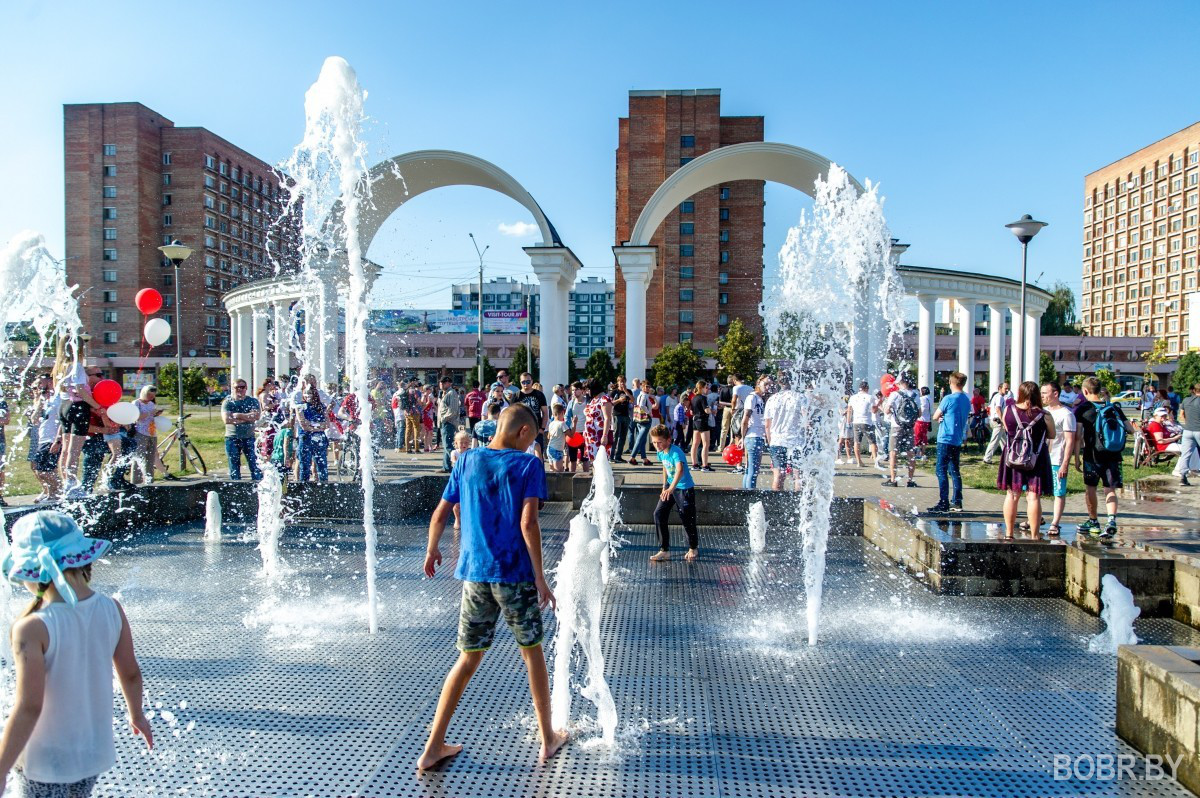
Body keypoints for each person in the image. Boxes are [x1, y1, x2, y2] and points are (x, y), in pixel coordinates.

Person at [418, 404, 567, 770]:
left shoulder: (466, 460)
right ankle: (548, 738)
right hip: (513, 574)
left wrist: (432, 548)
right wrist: (540, 577)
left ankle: (433, 746)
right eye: (535, 436)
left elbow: (440, 513)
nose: (535, 443)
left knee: (467, 658)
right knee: (532, 653)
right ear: (524, 432)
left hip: (475, 575)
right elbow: (528, 523)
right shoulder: (528, 464)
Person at [0, 511, 152, 796]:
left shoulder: (34, 627)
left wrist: (1, 768)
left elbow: (28, 706)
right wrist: (137, 715)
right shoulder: (112, 608)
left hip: (44, 761)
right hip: (90, 754)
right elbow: (130, 674)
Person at [1074, 376, 1135, 538]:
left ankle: (1093, 520)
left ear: (1085, 391)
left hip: (1092, 455)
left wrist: (1075, 456)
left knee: (1091, 488)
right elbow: (1130, 429)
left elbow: (1078, 436)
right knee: (1110, 488)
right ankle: (1111, 521)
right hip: (1113, 455)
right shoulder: (1114, 407)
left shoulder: (1083, 409)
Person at [997, 381, 1056, 538]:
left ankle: (1009, 533)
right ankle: (1035, 535)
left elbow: (1007, 429)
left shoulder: (1008, 410)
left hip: (1012, 457)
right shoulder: (1045, 415)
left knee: (1012, 494)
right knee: (1033, 496)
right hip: (1035, 458)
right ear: (1037, 395)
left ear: (1020, 393)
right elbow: (1052, 435)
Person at [648, 425, 699, 562]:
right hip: (670, 487)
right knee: (658, 513)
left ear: (668, 440)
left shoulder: (676, 452)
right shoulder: (660, 452)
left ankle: (693, 547)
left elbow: (679, 470)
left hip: (684, 489)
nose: (656, 445)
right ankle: (664, 550)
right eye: (654, 442)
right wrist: (665, 486)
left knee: (687, 518)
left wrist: (671, 488)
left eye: (659, 442)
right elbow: (665, 467)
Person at [928, 371, 971, 514]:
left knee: (941, 470)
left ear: (950, 383)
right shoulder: (966, 399)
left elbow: (935, 416)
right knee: (955, 471)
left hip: (945, 438)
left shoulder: (948, 398)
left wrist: (941, 418)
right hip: (957, 439)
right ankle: (957, 501)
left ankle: (943, 502)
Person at [1042, 381, 1077, 535]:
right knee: (1036, 491)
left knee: (1058, 492)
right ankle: (1037, 517)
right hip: (1042, 458)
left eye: (1045, 393)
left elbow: (1070, 441)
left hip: (1057, 459)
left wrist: (1065, 464)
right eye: (1041, 393)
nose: (1042, 396)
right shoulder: (1043, 412)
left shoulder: (1066, 414)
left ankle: (1055, 523)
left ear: (1055, 394)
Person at [764, 377, 805, 491]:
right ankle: (799, 506)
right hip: (797, 441)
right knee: (798, 476)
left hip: (777, 441)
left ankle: (776, 504)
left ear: (779, 384)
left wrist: (770, 442)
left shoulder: (772, 399)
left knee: (778, 475)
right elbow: (806, 419)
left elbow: (767, 425)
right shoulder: (800, 397)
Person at [881, 376, 920, 488]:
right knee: (911, 453)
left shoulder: (895, 394)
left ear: (899, 383)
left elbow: (887, 411)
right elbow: (919, 413)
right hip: (909, 427)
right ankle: (910, 480)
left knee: (893, 452)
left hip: (896, 426)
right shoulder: (915, 395)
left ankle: (893, 480)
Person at [222, 379, 263, 481]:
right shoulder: (228, 403)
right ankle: (236, 489)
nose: (240, 389)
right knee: (234, 467)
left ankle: (258, 487)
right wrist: (247, 418)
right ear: (233, 388)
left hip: (249, 438)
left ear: (246, 388)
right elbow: (227, 419)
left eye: (243, 387)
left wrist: (238, 415)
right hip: (232, 438)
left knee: (255, 465)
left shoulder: (252, 401)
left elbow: (256, 416)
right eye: (237, 387)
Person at [131, 385, 172, 485]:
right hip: (140, 432)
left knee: (150, 457)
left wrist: (156, 414)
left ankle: (149, 479)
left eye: (153, 396)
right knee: (139, 456)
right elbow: (136, 417)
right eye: (149, 395)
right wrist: (150, 413)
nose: (151, 398)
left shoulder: (151, 404)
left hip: (152, 432)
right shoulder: (137, 403)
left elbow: (151, 415)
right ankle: (137, 480)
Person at [740, 375, 769, 490]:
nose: (768, 387)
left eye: (770, 384)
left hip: (757, 437)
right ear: (758, 383)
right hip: (753, 437)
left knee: (750, 470)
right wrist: (743, 438)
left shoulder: (760, 398)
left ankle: (745, 497)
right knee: (752, 471)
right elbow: (745, 420)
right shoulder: (752, 398)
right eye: (765, 384)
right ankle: (749, 499)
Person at [296, 383, 330, 482]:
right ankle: (303, 488)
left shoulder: (321, 406)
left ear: (314, 394)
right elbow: (303, 425)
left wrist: (312, 425)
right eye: (305, 393)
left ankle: (325, 487)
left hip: (320, 439)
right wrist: (318, 426)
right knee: (305, 466)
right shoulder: (300, 407)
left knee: (322, 466)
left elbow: (327, 424)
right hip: (305, 438)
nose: (307, 395)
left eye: (310, 393)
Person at [516, 373, 549, 460]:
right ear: (520, 382)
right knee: (522, 456)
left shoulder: (539, 395)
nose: (526, 384)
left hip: (536, 430)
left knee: (538, 457)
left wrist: (542, 428)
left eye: (528, 381)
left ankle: (539, 473)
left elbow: (545, 413)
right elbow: (513, 415)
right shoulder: (516, 396)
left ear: (532, 381)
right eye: (523, 382)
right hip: (522, 432)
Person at [845, 381, 876, 468]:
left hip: (856, 422)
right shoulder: (870, 397)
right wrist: (879, 403)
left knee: (856, 442)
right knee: (872, 442)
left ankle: (859, 461)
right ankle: (876, 461)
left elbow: (849, 410)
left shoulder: (853, 397)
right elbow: (874, 410)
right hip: (867, 421)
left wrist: (848, 421)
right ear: (867, 388)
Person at [584, 378, 614, 463]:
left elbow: (607, 418)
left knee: (601, 462)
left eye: (588, 389)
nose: (587, 391)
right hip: (590, 436)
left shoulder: (604, 399)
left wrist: (604, 436)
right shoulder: (593, 400)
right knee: (593, 462)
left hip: (599, 435)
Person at [982, 381, 1013, 464]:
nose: (1007, 390)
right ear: (1000, 388)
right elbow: (998, 409)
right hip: (998, 421)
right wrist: (1003, 420)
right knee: (995, 440)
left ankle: (1008, 456)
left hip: (995, 420)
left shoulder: (997, 396)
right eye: (1005, 388)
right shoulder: (999, 397)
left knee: (1004, 441)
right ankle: (987, 458)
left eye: (1008, 389)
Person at [1175, 383, 1200, 485]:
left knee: (1185, 454)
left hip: (1188, 431)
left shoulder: (1186, 400)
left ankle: (1183, 477)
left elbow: (1181, 415)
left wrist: (1188, 423)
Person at [564, 382, 589, 474]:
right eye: (572, 390)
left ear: (582, 390)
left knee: (585, 458)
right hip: (574, 433)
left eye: (576, 390)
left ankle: (587, 478)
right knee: (573, 458)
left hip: (585, 433)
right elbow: (567, 416)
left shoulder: (588, 401)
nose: (574, 392)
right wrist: (567, 430)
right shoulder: (571, 402)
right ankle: (571, 477)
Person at [437, 377, 461, 472]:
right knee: (446, 445)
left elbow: (453, 411)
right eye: (441, 382)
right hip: (445, 422)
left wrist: (443, 419)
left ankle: (460, 463)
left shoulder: (452, 393)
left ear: (449, 383)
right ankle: (446, 467)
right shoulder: (444, 393)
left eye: (444, 382)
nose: (441, 384)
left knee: (448, 446)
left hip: (448, 422)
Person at [689, 382, 713, 472]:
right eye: (706, 387)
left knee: (695, 444)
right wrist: (712, 410)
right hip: (702, 421)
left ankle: (694, 464)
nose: (707, 389)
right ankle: (705, 465)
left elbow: (691, 411)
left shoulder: (694, 397)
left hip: (695, 420)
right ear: (702, 388)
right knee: (706, 444)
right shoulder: (703, 398)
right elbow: (706, 410)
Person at [628, 386, 655, 466]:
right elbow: (642, 406)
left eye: (648, 387)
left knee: (643, 440)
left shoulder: (640, 395)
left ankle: (644, 459)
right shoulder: (644, 396)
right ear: (642, 387)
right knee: (640, 439)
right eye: (646, 387)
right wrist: (649, 412)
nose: (647, 388)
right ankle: (632, 457)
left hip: (639, 419)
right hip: (645, 420)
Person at [609, 376, 633, 463]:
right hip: (617, 415)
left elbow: (632, 400)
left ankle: (618, 456)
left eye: (623, 381)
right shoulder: (614, 392)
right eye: (620, 381)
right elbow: (610, 403)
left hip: (626, 416)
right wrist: (619, 400)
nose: (622, 383)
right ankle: (611, 456)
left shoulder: (629, 391)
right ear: (618, 382)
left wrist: (626, 391)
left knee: (623, 437)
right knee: (615, 436)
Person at [546, 403, 568, 473]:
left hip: (549, 448)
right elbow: (571, 435)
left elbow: (548, 436)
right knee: (559, 473)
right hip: (557, 450)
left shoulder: (551, 423)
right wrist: (575, 423)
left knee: (552, 471)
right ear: (562, 413)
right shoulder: (562, 424)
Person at [914, 386, 934, 460]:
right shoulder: (930, 399)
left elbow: (919, 409)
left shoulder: (921, 399)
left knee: (917, 437)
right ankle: (923, 453)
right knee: (923, 438)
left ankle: (917, 454)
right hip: (927, 420)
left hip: (920, 420)